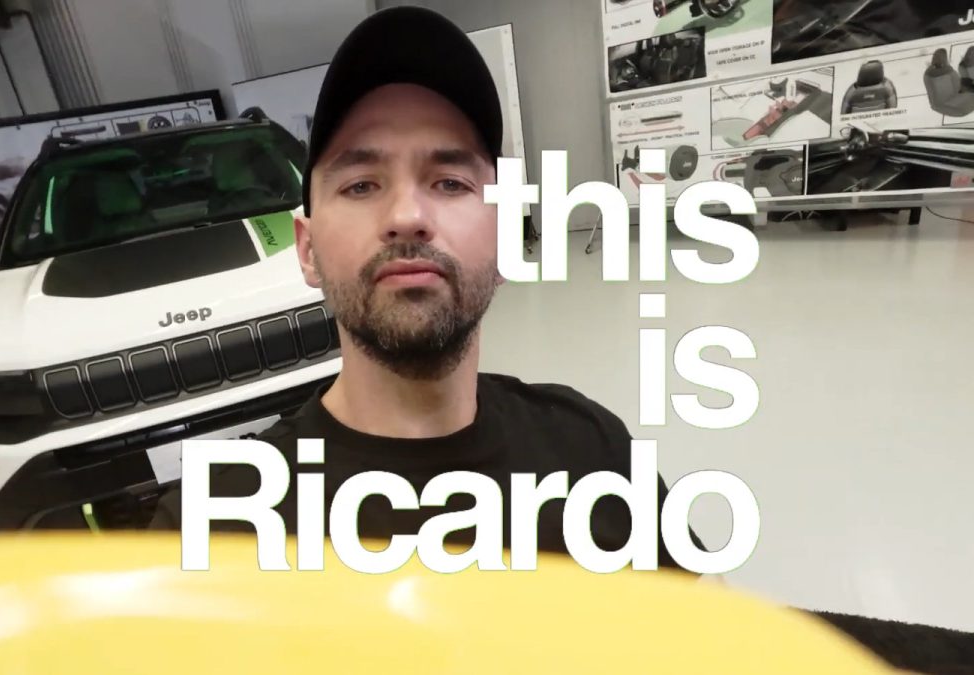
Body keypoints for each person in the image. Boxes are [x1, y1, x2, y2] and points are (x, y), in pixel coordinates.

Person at [150, 6, 704, 570]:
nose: (407, 216)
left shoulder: (595, 454)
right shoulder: (207, 531)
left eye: (450, 182)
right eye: (361, 185)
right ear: (308, 250)